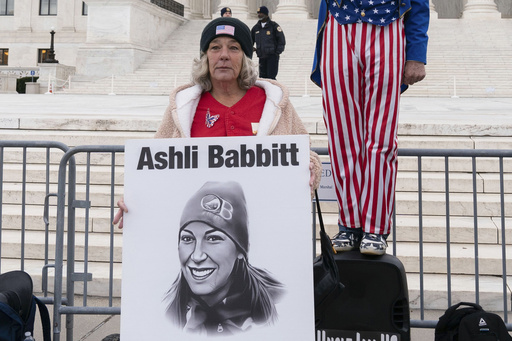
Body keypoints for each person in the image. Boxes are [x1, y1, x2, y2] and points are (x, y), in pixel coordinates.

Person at [114, 17, 321, 229]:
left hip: (264, 224)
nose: (224, 55)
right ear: (205, 58)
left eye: (234, 48)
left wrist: (311, 169)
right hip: (200, 224)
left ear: (246, 58)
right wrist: (134, 198)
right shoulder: (183, 107)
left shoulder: (275, 102)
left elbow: (306, 152)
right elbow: (155, 168)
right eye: (215, 48)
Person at [311, 0, 429, 255]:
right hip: (338, 26)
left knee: (381, 138)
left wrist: (416, 53)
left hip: (386, 26)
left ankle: (375, 226)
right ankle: (350, 224)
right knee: (342, 136)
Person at [164, 181, 285, 335]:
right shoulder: (163, 310)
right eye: (188, 239)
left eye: (213, 239)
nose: (197, 255)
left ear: (240, 250)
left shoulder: (280, 305)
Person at [250, 6, 286, 80]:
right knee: (262, 78)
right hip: (261, 56)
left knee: (271, 78)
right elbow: (250, 40)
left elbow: (281, 40)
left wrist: (277, 52)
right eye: (258, 13)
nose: (259, 15)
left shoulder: (274, 26)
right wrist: (251, 47)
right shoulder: (256, 28)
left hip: (272, 57)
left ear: (266, 14)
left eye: (261, 13)